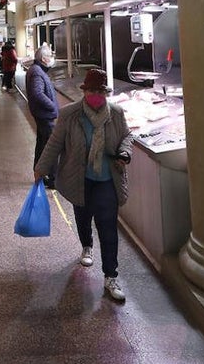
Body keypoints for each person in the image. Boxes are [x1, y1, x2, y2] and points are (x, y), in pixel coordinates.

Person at [34, 68, 133, 302]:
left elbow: (127, 136)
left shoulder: (116, 114)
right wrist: (41, 169)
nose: (96, 95)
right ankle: (87, 246)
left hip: (108, 178)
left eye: (100, 91)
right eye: (91, 91)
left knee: (108, 226)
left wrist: (125, 152)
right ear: (84, 91)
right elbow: (55, 143)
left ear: (106, 92)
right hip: (79, 177)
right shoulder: (70, 114)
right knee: (82, 216)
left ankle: (111, 276)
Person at [26, 44, 60, 188]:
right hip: (45, 116)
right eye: (50, 56)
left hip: (42, 115)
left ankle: (39, 173)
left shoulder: (37, 70)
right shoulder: (37, 72)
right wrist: (52, 106)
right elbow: (38, 93)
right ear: (43, 58)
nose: (51, 59)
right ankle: (52, 179)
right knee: (51, 147)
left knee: (41, 145)